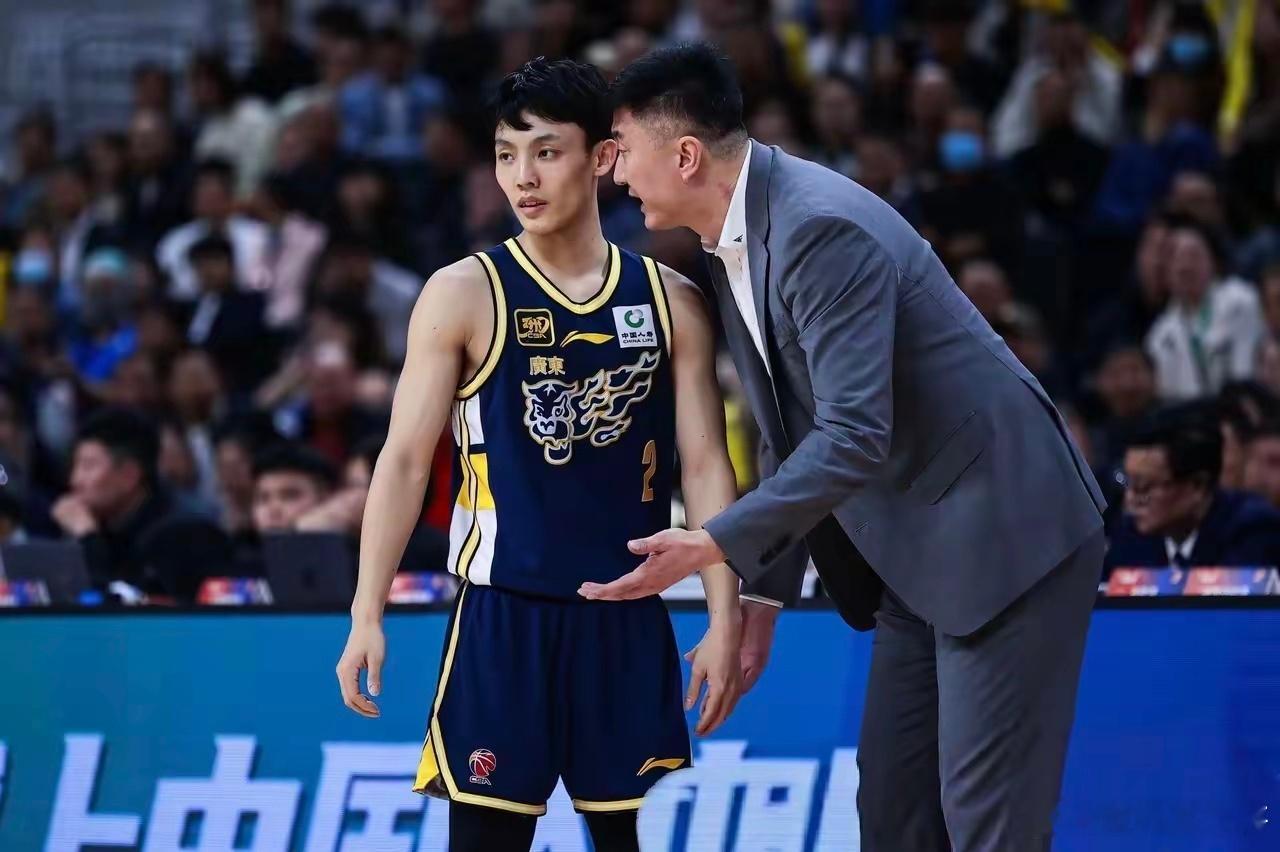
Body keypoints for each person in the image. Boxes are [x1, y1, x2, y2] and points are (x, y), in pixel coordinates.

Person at [595, 43, 1107, 851]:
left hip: (1004, 536)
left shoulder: (817, 229)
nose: (615, 172)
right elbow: (788, 431)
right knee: (895, 816)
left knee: (988, 822)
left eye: (622, 148)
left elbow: (852, 435)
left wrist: (712, 541)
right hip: (916, 548)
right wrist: (764, 598)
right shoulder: (733, 235)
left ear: (686, 155)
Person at [334, 58, 743, 852]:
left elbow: (704, 466)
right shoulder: (462, 291)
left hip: (626, 615)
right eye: (505, 154)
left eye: (547, 152)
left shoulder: (671, 299)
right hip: (503, 614)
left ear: (602, 157)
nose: (522, 176)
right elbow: (405, 462)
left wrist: (724, 615)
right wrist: (366, 612)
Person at [51, 407, 231, 602]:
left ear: (129, 476)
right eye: (75, 466)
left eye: (88, 466)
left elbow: (119, 606)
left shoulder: (182, 533)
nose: (75, 480)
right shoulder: (104, 527)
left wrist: (88, 538)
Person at [1105, 407, 1280, 570]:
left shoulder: (1252, 530)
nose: (1131, 499)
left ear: (1198, 485)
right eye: (1127, 482)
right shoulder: (1129, 533)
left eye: (1144, 486)